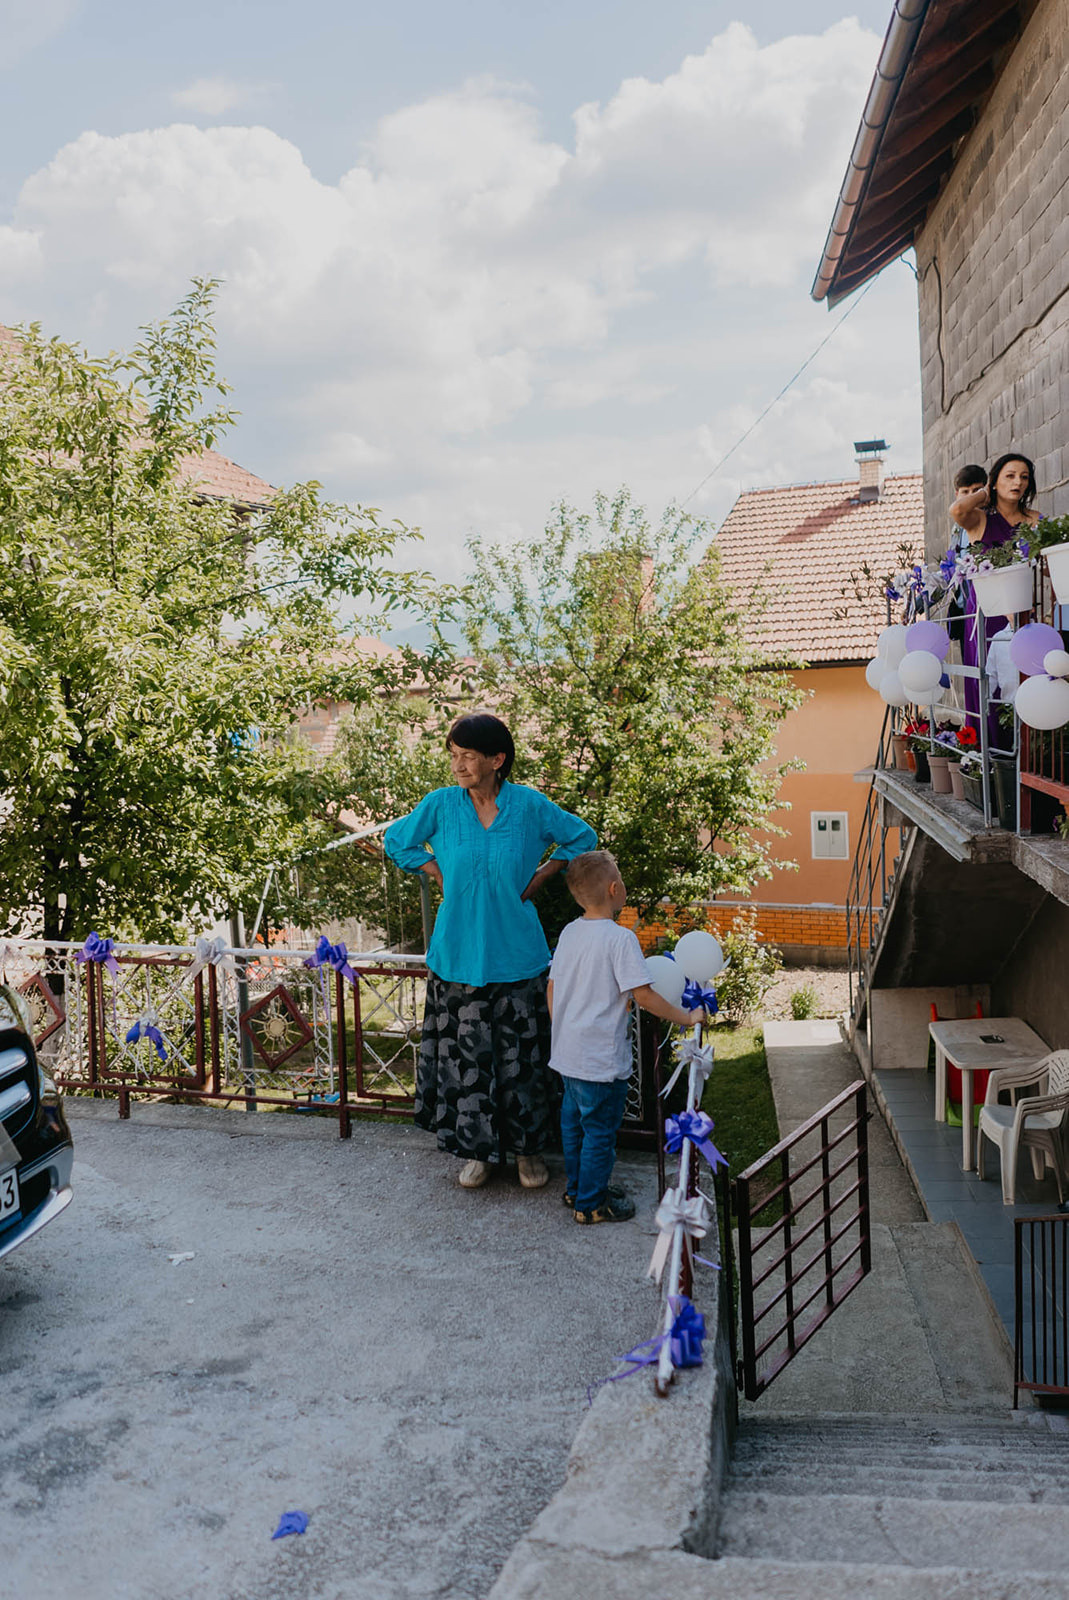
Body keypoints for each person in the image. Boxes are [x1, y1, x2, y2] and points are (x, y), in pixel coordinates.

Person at [384, 713, 596, 1191]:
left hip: (517, 955)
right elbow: (397, 842)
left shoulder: (528, 806)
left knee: (522, 1061)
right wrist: (435, 870)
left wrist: (543, 875)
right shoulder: (440, 806)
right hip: (457, 955)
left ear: (497, 760)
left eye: (468, 756)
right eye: (454, 755)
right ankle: (477, 1153)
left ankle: (527, 1153)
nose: (458, 765)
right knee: (467, 1064)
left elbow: (582, 838)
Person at [547, 850, 701, 1225]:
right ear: (615, 889)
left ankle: (577, 1188)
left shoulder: (570, 932)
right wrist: (687, 1015)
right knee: (600, 1132)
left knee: (573, 1125)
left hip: (567, 1055)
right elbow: (644, 996)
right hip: (600, 1060)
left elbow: (552, 988)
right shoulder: (620, 939)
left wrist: (564, 1028)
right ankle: (592, 1203)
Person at [948, 453, 1040, 745]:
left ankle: (1025, 756)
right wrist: (985, 492)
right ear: (996, 480)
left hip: (1023, 612)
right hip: (986, 615)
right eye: (1010, 475)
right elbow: (957, 509)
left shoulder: (1035, 520)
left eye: (1024, 477)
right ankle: (991, 757)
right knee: (991, 684)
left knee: (1024, 681)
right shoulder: (979, 520)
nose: (1018, 482)